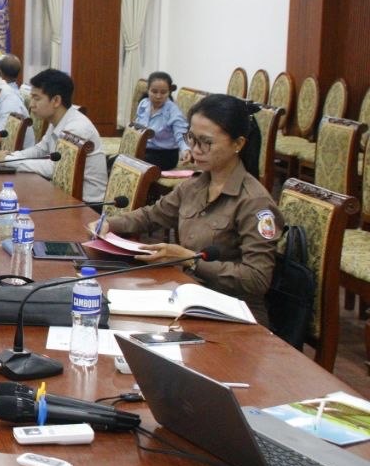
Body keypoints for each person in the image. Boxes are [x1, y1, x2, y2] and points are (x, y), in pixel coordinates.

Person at [100, 94, 279, 323]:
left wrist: (192, 261)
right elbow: (152, 215)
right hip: (190, 297)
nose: (195, 149)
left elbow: (257, 279)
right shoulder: (195, 185)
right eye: (191, 139)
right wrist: (108, 224)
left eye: (206, 142)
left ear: (238, 144)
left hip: (233, 313)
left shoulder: (254, 202)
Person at [0, 68, 107, 204]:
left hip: (86, 205)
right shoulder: (57, 120)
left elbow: (55, 168)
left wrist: (8, 160)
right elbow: (40, 149)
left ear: (56, 100)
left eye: (36, 98)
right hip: (63, 193)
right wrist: (9, 156)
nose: (31, 105)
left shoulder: (76, 128)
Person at [132, 71, 190, 171]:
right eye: (154, 92)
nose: (158, 96)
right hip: (143, 150)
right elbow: (136, 126)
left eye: (163, 92)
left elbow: (181, 133)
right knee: (115, 160)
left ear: (169, 92)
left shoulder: (173, 111)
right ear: (148, 90)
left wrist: (186, 150)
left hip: (165, 155)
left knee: (135, 164)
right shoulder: (143, 104)